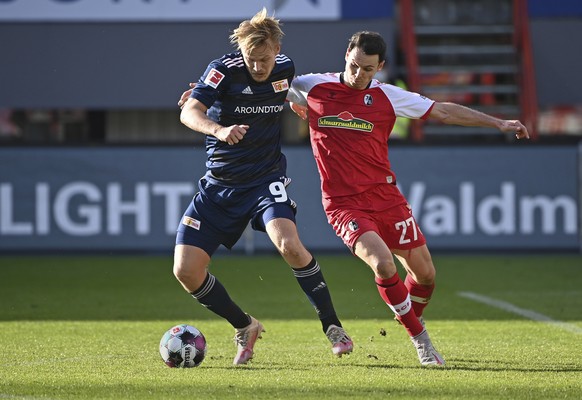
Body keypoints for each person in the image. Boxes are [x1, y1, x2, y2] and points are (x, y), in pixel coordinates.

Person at [285, 31, 529, 366]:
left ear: (380, 67)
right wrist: (210, 95)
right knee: (383, 264)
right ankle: (422, 341)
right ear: (346, 55)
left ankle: (409, 316)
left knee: (426, 274)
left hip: (387, 198)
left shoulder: (387, 96)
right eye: (355, 65)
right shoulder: (310, 86)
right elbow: (261, 90)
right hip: (344, 204)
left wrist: (499, 122)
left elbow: (442, 111)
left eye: (368, 70)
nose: (359, 75)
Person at [175, 8, 352, 366]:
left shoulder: (286, 67)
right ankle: (245, 326)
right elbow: (189, 111)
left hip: (265, 178)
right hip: (219, 185)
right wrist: (218, 129)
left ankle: (332, 326)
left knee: (288, 244)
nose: (258, 67)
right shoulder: (222, 69)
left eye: (264, 59)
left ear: (277, 48)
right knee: (185, 271)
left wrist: (298, 104)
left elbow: (289, 92)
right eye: (251, 60)